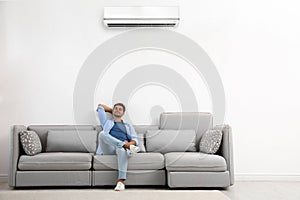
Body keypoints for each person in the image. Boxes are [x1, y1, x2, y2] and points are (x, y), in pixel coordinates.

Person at [95, 102, 140, 191]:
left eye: (120, 109)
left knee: (121, 150)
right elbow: (100, 106)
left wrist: (130, 144)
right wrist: (125, 144)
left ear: (123, 113)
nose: (117, 110)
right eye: (116, 108)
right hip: (109, 148)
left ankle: (121, 182)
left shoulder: (128, 126)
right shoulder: (107, 122)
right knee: (102, 134)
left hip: (121, 148)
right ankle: (123, 145)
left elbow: (135, 139)